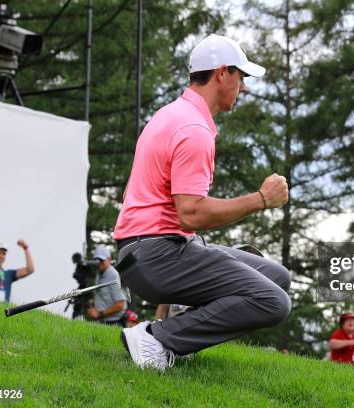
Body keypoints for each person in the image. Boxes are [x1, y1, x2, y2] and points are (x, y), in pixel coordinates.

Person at [115, 34, 291, 372]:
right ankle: (156, 338)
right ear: (222, 73)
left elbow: (141, 200)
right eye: (242, 76)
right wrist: (261, 200)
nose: (244, 87)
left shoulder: (170, 114)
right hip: (155, 255)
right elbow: (191, 214)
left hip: (146, 249)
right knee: (274, 302)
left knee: (277, 277)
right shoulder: (194, 128)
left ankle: (174, 334)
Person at [86, 246, 127, 326]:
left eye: (101, 260)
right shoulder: (99, 274)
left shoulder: (115, 276)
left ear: (109, 259)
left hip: (115, 323)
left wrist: (99, 314)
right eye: (97, 260)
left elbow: (120, 305)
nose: (99, 262)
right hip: (102, 322)